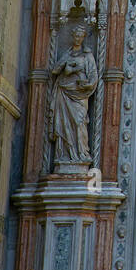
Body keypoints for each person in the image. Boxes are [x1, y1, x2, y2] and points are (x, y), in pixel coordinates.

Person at [48, 25, 98, 167]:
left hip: (80, 93)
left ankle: (81, 154)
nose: (77, 38)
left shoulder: (87, 55)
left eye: (80, 36)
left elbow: (94, 75)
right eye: (76, 36)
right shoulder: (68, 54)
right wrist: (67, 69)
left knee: (79, 121)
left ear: (83, 38)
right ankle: (65, 155)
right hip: (64, 90)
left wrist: (88, 84)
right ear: (72, 36)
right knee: (63, 124)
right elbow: (55, 70)